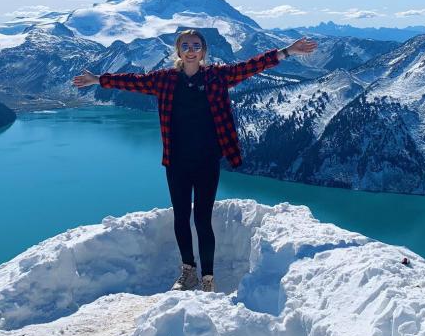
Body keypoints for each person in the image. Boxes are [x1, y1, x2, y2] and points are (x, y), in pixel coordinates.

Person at [72, 29, 317, 292]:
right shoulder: (164, 79)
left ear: (203, 51)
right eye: (185, 45)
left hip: (207, 159)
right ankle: (187, 271)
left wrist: (288, 51)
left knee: (202, 218)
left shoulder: (217, 76)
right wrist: (98, 79)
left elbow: (251, 66)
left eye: (196, 45)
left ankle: (208, 279)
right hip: (176, 161)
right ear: (179, 51)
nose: (191, 49)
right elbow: (133, 81)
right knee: (180, 217)